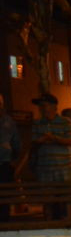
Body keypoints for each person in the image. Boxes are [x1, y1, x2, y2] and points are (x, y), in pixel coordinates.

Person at [16, 93, 71, 219]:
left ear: (54, 106)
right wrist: (42, 140)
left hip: (64, 170)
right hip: (45, 169)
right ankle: (49, 224)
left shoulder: (66, 122)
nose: (42, 108)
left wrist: (53, 138)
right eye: (40, 106)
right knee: (48, 200)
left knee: (67, 200)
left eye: (44, 105)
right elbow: (34, 142)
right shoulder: (38, 123)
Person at [0, 93, 21, 221]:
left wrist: (14, 160)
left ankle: (4, 221)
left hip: (4, 165)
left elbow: (16, 142)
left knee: (4, 196)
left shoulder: (8, 121)